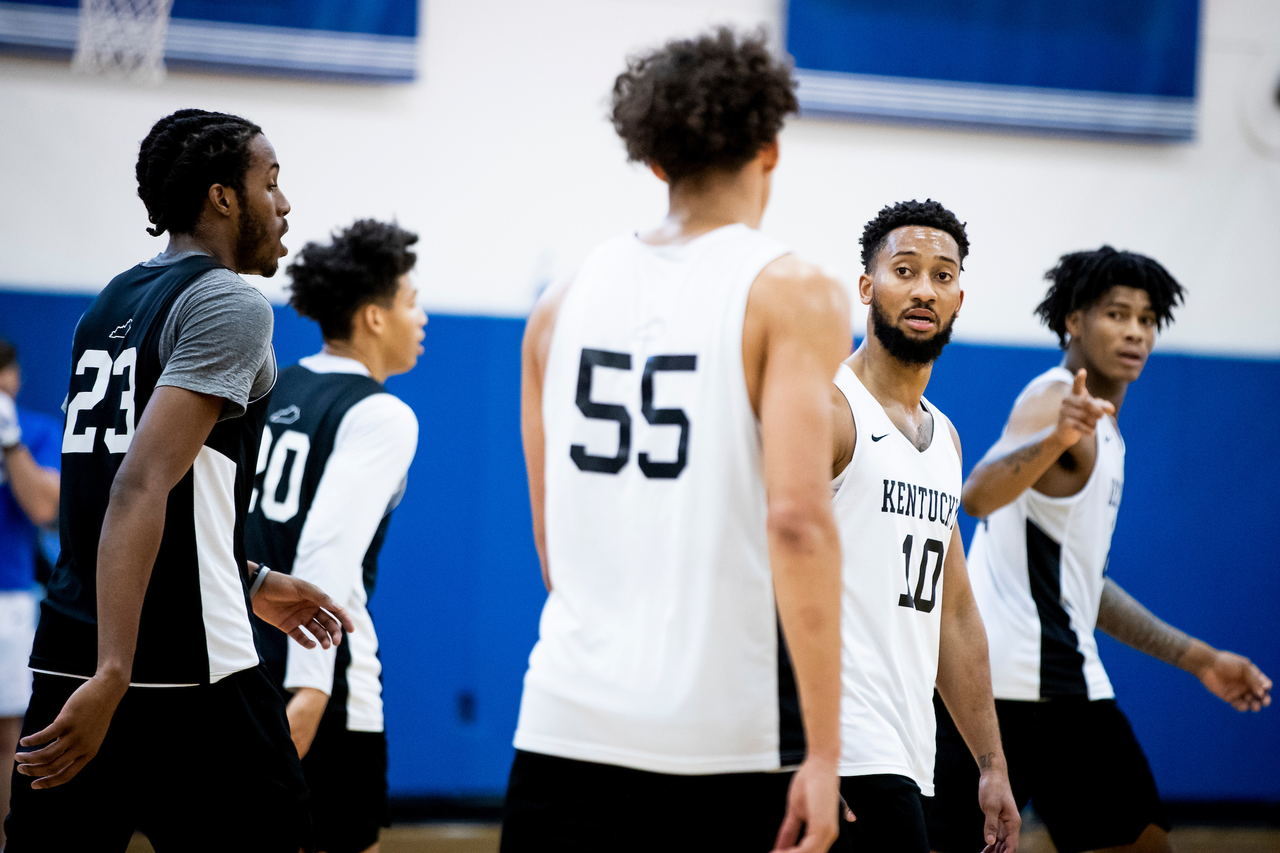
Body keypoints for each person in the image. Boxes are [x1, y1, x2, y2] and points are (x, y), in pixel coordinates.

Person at [502, 28, 849, 853]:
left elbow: (555, 552)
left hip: (562, 727)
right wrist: (829, 752)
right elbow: (798, 520)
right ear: (771, 147)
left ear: (654, 161)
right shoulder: (795, 290)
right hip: (725, 743)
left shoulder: (559, 300)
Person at [6, 108, 354, 853]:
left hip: (69, 655)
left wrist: (248, 575)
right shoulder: (229, 302)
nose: (285, 204)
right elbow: (138, 484)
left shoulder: (110, 303)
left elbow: (109, 486)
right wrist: (116, 670)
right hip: (182, 670)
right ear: (224, 197)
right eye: (272, 182)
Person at [928, 246, 1273, 853]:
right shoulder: (1056, 396)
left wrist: (1199, 660)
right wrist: (1055, 434)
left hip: (1061, 688)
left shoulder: (1103, 429)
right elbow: (977, 496)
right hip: (1011, 688)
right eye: (1117, 314)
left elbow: (1083, 590)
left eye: (1147, 319)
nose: (1136, 331)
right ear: (1074, 321)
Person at [826, 201, 1019, 853]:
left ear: (959, 297)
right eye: (904, 269)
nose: (923, 289)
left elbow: (956, 613)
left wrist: (991, 765)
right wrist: (803, 746)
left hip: (908, 752)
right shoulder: (829, 409)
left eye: (942, 275)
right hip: (836, 752)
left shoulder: (946, 440)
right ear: (866, 287)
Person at [245, 219, 425, 853]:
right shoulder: (382, 413)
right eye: (410, 300)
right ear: (375, 317)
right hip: (321, 666)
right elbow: (327, 549)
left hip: (239, 655)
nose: (420, 317)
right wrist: (313, 688)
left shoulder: (276, 382)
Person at [0, 340, 61, 850]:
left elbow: (45, 508)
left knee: (9, 738)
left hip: (10, 597)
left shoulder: (36, 432)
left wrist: (10, 440)